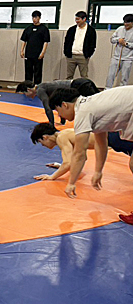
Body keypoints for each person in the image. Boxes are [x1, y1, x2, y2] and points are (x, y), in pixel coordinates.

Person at [49, 87, 133, 224]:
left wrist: (71, 183)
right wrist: (98, 171)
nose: (60, 116)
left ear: (64, 104)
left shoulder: (82, 112)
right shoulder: (91, 106)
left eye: (58, 111)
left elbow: (80, 153)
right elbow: (101, 143)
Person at [15, 78, 99, 126]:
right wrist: (62, 122)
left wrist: (51, 125)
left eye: (24, 93)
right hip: (82, 82)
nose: (26, 96)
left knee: (95, 105)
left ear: (29, 90)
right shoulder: (42, 86)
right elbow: (59, 104)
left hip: (79, 85)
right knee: (99, 100)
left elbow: (48, 108)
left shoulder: (40, 91)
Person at [30, 122, 96, 182]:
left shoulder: (61, 137)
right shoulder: (66, 134)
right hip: (100, 138)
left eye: (41, 142)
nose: (43, 145)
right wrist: (61, 166)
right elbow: (81, 158)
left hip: (101, 139)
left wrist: (52, 177)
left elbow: (68, 163)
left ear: (45, 137)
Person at [64, 11, 96, 80]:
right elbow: (66, 42)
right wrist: (66, 52)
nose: (76, 21)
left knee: (84, 76)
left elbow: (92, 44)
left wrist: (88, 54)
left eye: (78, 19)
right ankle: (69, 87)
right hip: (71, 56)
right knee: (69, 76)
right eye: (76, 19)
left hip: (83, 56)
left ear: (84, 19)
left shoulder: (91, 30)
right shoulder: (71, 29)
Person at [20, 10, 50, 85]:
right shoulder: (28, 28)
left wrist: (43, 52)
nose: (34, 19)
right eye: (33, 17)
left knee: (38, 71)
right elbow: (24, 40)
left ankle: (37, 86)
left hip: (38, 53)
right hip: (28, 53)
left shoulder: (44, 29)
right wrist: (22, 51)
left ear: (39, 18)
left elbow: (46, 42)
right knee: (28, 71)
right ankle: (28, 85)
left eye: (36, 17)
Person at [105, 14, 133, 89]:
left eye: (128, 22)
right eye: (124, 22)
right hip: (116, 57)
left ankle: (121, 91)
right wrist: (118, 40)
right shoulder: (120, 29)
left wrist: (126, 44)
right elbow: (112, 39)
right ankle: (107, 89)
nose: (125, 24)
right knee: (111, 75)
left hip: (128, 58)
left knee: (124, 77)